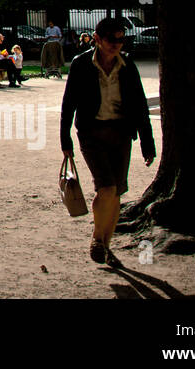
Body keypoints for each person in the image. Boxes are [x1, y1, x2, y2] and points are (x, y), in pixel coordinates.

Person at [60, 18, 156, 267]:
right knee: (106, 188)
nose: (116, 44)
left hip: (121, 133)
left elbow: (140, 105)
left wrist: (147, 142)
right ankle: (97, 239)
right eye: (111, 39)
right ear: (97, 39)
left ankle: (105, 244)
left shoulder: (127, 65)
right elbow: (69, 103)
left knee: (116, 193)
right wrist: (65, 138)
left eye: (121, 39)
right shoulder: (81, 64)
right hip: (92, 134)